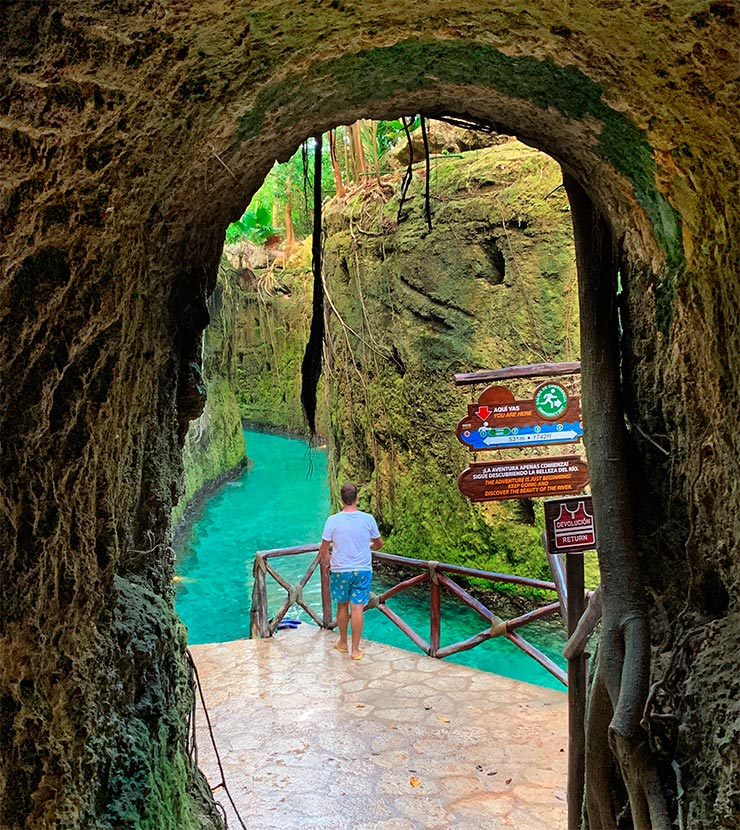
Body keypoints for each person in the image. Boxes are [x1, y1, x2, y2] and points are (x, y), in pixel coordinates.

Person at [319, 482, 382, 661]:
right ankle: (355, 650)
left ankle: (342, 643)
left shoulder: (332, 520)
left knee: (341, 606)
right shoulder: (368, 519)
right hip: (362, 569)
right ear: (357, 498)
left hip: (340, 570)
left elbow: (324, 549)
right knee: (357, 608)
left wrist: (329, 561)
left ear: (341, 499)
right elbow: (378, 544)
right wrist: (367, 545)